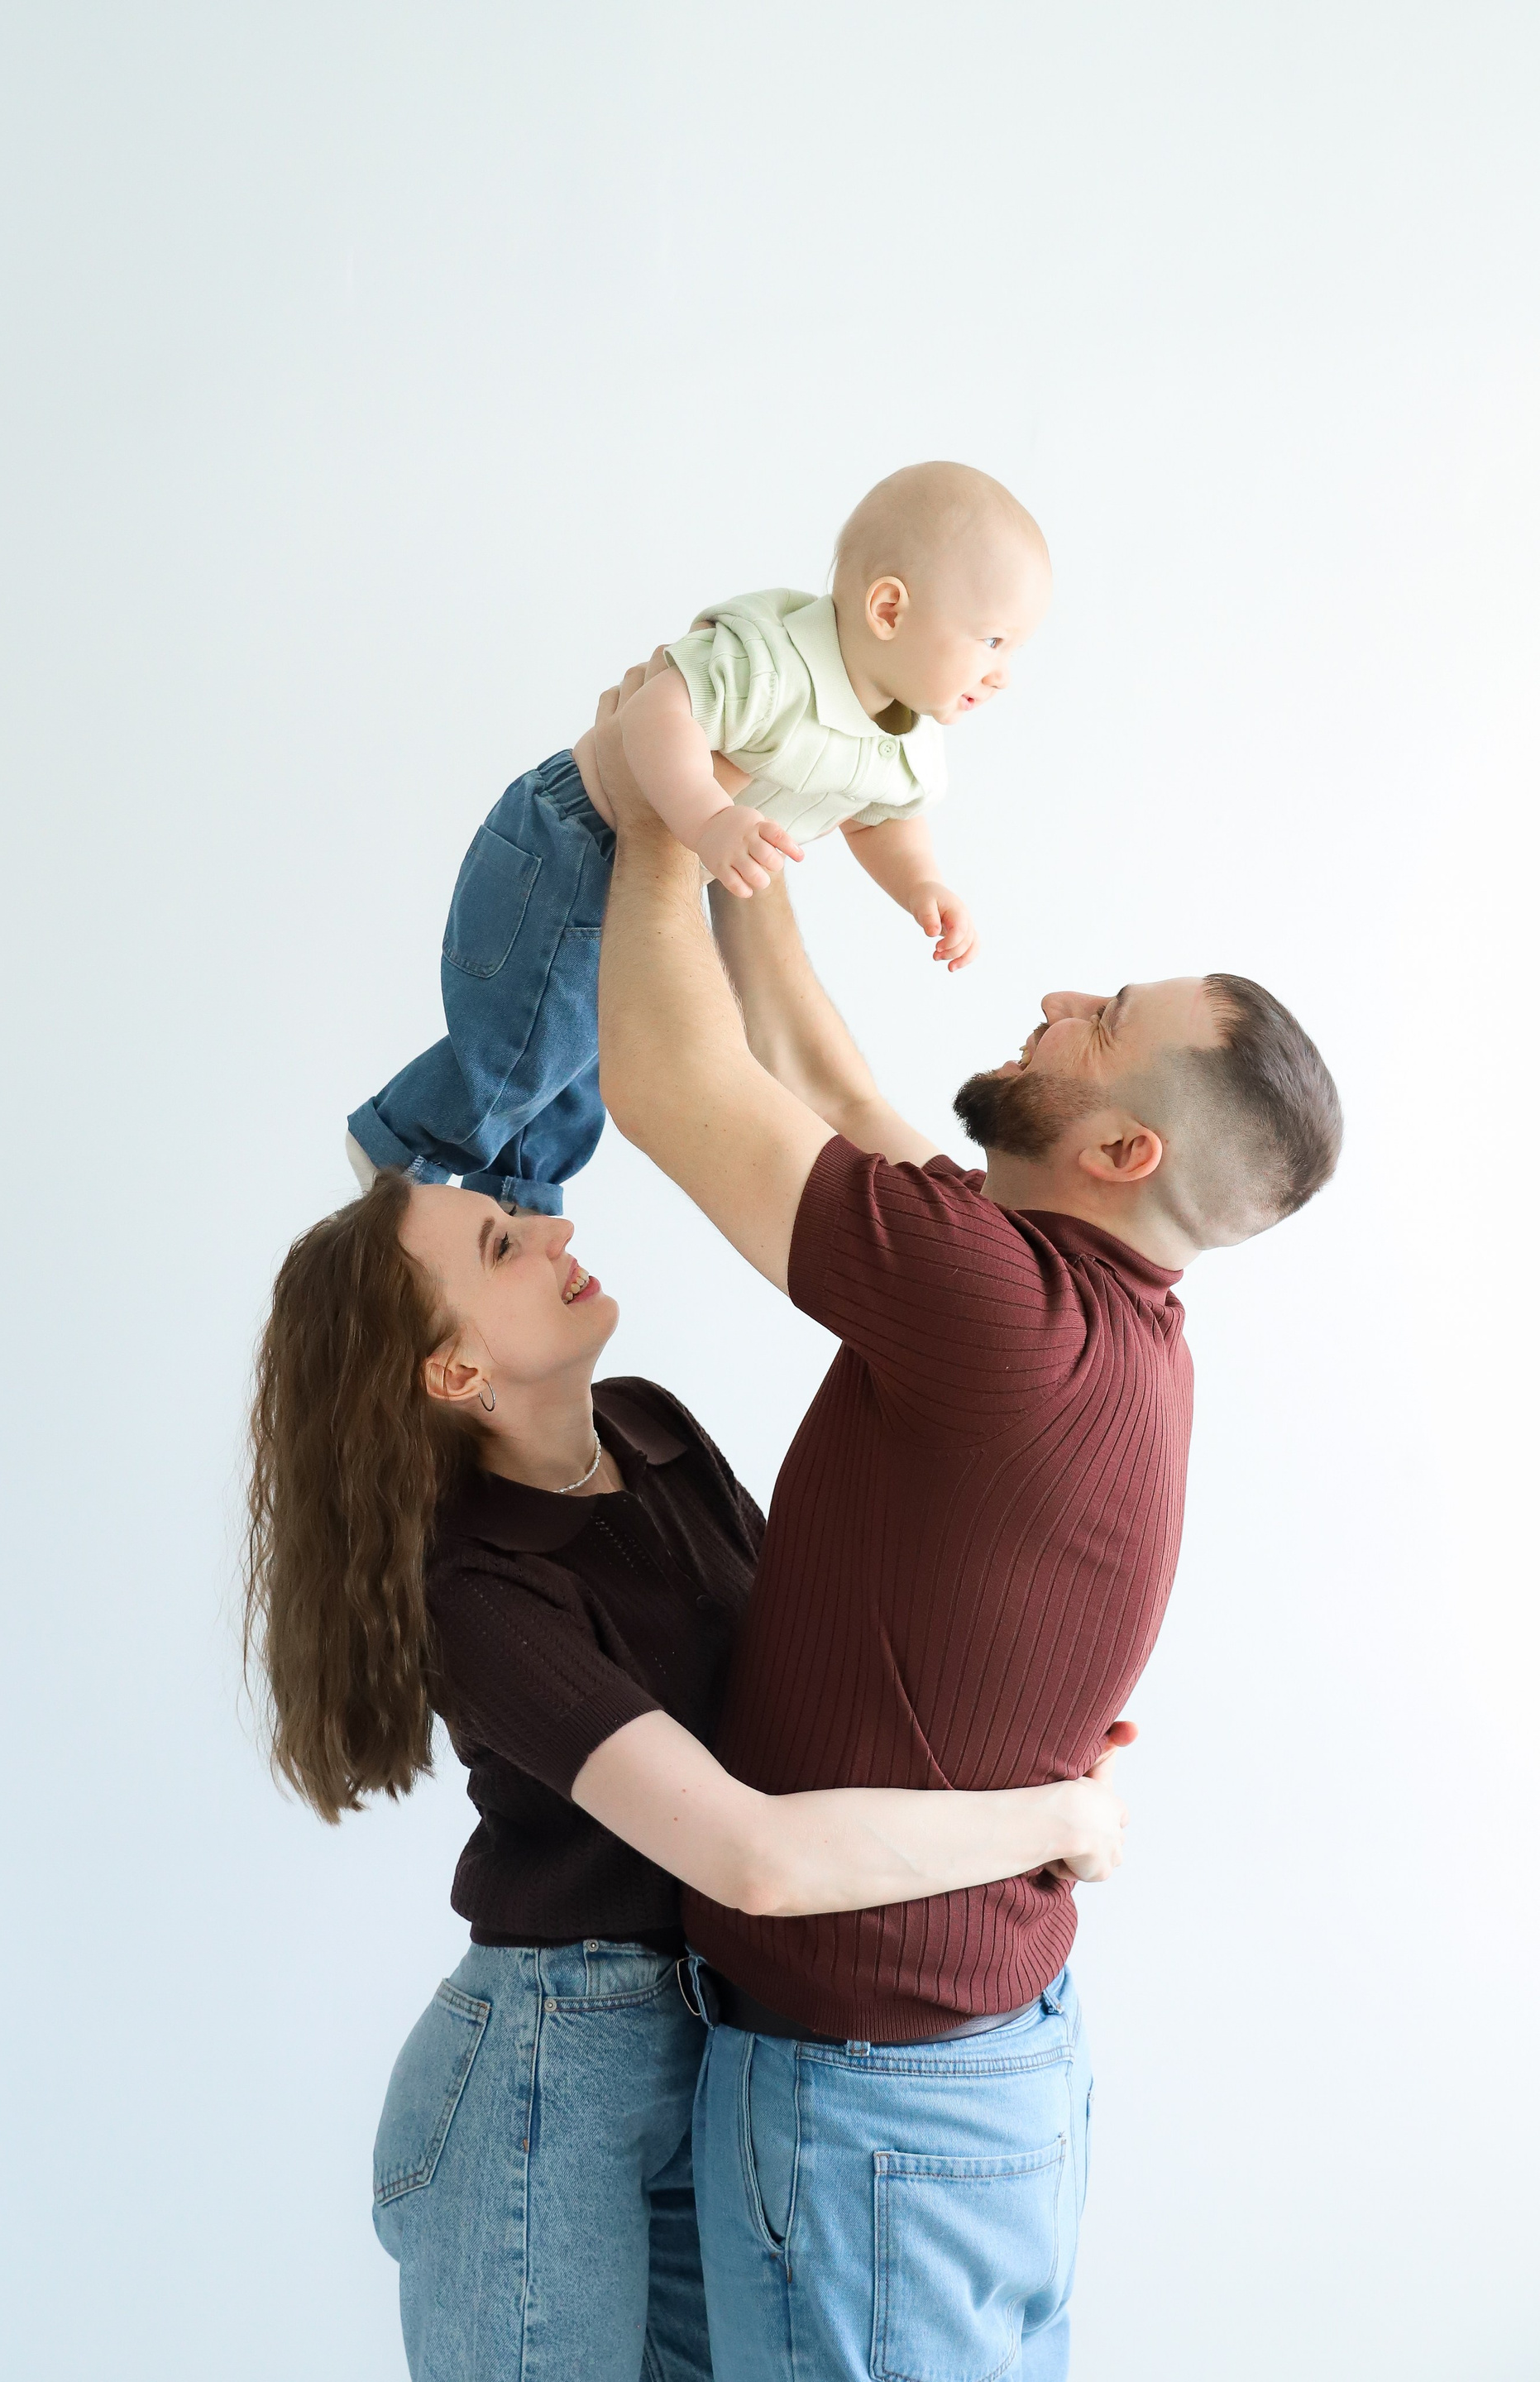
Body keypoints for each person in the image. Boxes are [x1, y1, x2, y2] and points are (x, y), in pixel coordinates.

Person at [592, 670, 1343, 2382]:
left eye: (1102, 1019)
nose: (1058, 998)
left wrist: (650, 807)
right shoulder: (1092, 1311)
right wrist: (744, 831)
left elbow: (669, 1081)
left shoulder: (998, 1313)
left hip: (873, 2111)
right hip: (949, 2082)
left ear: (1121, 1145)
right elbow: (823, 1077)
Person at [243, 1169, 1135, 2382]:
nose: (557, 1227)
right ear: (454, 1374)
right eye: (502, 1245)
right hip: (552, 2080)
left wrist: (1014, 1737)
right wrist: (1056, 1817)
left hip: (721, 2046)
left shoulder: (651, 1430)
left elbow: (814, 1693)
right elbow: (750, 1855)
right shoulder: (477, 1595)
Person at [345, 462, 1050, 1213]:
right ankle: (399, 1146)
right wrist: (709, 817)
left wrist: (922, 885)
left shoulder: (908, 738)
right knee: (529, 1047)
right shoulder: (774, 660)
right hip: (573, 840)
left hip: (655, 878)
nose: (1004, 674)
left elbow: (882, 817)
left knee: (591, 1054)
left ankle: (521, 1199)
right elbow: (655, 713)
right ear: (888, 608)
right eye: (993, 640)